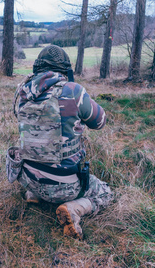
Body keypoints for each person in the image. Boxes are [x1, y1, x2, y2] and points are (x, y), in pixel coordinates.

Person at [10, 45, 113, 239]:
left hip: (27, 179)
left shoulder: (22, 94)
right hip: (65, 186)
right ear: (65, 70)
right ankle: (73, 208)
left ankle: (35, 195)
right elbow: (100, 122)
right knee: (105, 192)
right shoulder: (73, 91)